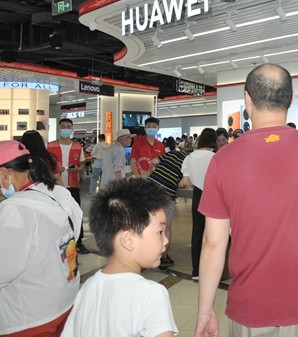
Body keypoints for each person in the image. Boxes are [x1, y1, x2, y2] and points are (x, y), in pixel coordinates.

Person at [195, 64, 298, 337]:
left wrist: (205, 309)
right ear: (291, 99)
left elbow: (214, 243)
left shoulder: (223, 160)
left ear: (247, 99)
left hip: (252, 308)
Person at [61, 178, 178, 337]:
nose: (165, 240)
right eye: (160, 232)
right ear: (128, 240)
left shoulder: (87, 288)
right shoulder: (150, 293)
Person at [0, 140, 82, 336]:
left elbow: (4, 268)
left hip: (29, 317)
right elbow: (74, 235)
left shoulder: (14, 209)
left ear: (4, 173)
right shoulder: (59, 194)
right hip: (66, 302)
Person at [179, 128, 217, 280]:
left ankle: (196, 271)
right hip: (213, 196)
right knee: (213, 234)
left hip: (197, 195)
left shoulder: (189, 158)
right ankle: (211, 270)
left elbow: (186, 182)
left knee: (197, 232)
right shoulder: (215, 157)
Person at [48, 118, 89, 254]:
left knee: (76, 212)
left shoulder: (77, 147)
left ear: (72, 129)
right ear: (59, 128)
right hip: (54, 185)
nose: (65, 129)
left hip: (73, 185)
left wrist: (77, 169)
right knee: (56, 213)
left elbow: (82, 164)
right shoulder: (50, 146)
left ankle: (79, 242)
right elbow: (44, 165)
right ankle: (56, 241)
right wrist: (53, 171)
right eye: (63, 126)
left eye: (68, 127)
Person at [146, 136, 187, 269]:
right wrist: (176, 181)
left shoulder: (171, 153)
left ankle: (144, 254)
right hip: (167, 193)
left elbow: (153, 161)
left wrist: (155, 170)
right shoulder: (187, 161)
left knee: (146, 223)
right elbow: (183, 183)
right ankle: (163, 258)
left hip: (149, 187)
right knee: (165, 227)